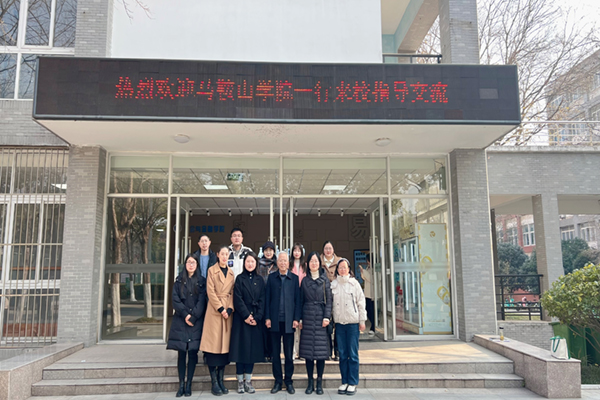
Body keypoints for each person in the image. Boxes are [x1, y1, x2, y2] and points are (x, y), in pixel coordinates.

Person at [167, 253, 207, 397]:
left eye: (193, 263)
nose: (191, 265)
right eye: (189, 262)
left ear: (197, 265)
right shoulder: (179, 281)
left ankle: (189, 383)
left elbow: (202, 301)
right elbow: (175, 300)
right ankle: (181, 384)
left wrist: (194, 316)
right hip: (181, 321)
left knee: (193, 352)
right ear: (185, 264)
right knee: (182, 353)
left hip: (195, 322)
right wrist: (185, 314)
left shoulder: (201, 281)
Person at [229, 252, 265, 394]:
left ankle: (248, 381)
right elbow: (237, 298)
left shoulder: (260, 280)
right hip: (241, 319)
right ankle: (239, 381)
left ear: (256, 263)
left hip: (255, 319)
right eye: (248, 261)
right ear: (244, 263)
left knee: (251, 351)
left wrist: (257, 317)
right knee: (241, 350)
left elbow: (263, 299)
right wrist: (246, 315)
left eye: (252, 261)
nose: (250, 264)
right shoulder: (239, 278)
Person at [265, 252, 301, 394]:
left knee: (288, 354)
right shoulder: (271, 278)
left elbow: (298, 301)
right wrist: (267, 318)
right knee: (275, 354)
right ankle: (278, 381)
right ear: (277, 262)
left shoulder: (294, 279)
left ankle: (289, 381)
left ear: (288, 262)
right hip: (274, 321)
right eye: (280, 260)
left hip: (289, 322)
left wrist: (296, 319)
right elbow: (267, 299)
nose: (283, 263)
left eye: (285, 260)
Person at [201, 246, 235, 396]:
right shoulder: (211, 270)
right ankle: (214, 381)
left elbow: (233, 292)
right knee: (213, 347)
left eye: (227, 254)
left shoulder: (232, 272)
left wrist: (230, 308)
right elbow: (210, 291)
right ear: (217, 255)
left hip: (227, 312)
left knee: (224, 350)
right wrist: (221, 308)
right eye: (222, 254)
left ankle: (221, 380)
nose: (224, 256)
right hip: (215, 311)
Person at [331, 258, 367, 396]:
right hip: (339, 324)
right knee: (342, 354)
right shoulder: (333, 284)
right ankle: (344, 381)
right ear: (337, 270)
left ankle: (352, 382)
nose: (342, 270)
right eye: (340, 267)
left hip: (353, 323)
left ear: (348, 269)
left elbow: (361, 302)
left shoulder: (354, 284)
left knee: (352, 354)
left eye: (344, 267)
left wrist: (362, 320)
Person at [299, 251, 332, 395]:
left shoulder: (325, 280)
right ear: (307, 264)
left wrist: (327, 317)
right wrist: (300, 318)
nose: (314, 263)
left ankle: (319, 382)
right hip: (307, 317)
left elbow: (329, 301)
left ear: (320, 263)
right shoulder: (304, 281)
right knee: (308, 354)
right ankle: (310, 382)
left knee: (320, 353)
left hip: (320, 318)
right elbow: (300, 301)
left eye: (316, 261)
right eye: (311, 261)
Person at [321, 241, 341, 360]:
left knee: (338, 324)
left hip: (338, 297)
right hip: (323, 298)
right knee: (326, 324)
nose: (328, 250)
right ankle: (327, 351)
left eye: (330, 248)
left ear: (333, 250)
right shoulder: (318, 262)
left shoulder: (340, 261)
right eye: (326, 248)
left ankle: (337, 351)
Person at [290, 243, 306, 360]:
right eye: (295, 250)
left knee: (301, 326)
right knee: (293, 326)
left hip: (303, 295)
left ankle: (301, 351)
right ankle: (293, 351)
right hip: (291, 295)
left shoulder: (305, 265)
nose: (296, 253)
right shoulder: (289, 264)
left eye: (298, 251)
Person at [359, 258, 375, 335]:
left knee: (372, 310)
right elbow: (364, 278)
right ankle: (374, 324)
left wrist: (364, 272)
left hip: (372, 293)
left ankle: (373, 326)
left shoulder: (375, 269)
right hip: (368, 293)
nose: (367, 262)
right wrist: (362, 272)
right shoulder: (368, 268)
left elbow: (372, 279)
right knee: (368, 309)